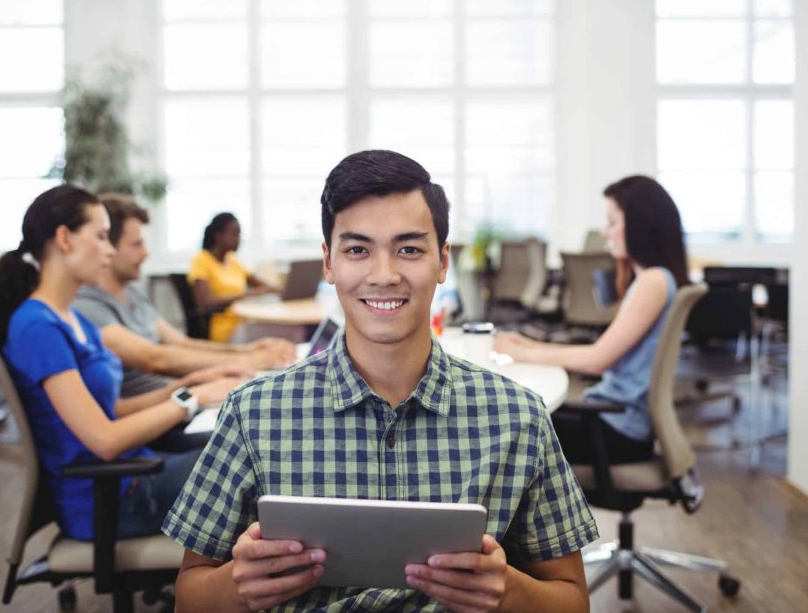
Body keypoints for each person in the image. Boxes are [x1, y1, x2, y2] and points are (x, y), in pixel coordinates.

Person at [163, 150, 599, 612]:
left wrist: (507, 591)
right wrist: (238, 584)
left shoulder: (518, 417)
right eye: (357, 250)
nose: (385, 275)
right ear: (328, 263)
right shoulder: (254, 412)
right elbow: (190, 597)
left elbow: (573, 600)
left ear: (443, 261)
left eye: (409, 249)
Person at [0, 185, 241, 541]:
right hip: (110, 498)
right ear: (64, 239)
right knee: (253, 465)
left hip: (130, 472)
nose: (110, 250)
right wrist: (189, 400)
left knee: (244, 443)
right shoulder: (37, 327)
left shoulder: (73, 319)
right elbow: (104, 439)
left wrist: (188, 386)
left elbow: (111, 409)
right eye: (101, 237)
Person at [494, 174, 689, 465]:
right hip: (610, 417)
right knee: (516, 418)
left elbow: (597, 359)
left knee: (505, 430)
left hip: (616, 430)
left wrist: (523, 351)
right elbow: (601, 352)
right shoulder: (652, 280)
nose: (605, 231)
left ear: (639, 224)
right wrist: (528, 344)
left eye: (612, 222)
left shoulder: (654, 282)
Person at [74, 194, 296, 399]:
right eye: (136, 244)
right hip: (164, 412)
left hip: (178, 400)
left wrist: (247, 350)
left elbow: (181, 343)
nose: (146, 253)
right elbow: (155, 359)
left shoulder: (131, 292)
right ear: (107, 247)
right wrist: (250, 361)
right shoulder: (88, 305)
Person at [188, 212, 278, 342]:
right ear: (218, 235)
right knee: (296, 333)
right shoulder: (201, 260)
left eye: (240, 234)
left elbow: (261, 284)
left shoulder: (232, 261)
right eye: (235, 234)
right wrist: (247, 294)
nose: (239, 239)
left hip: (245, 322)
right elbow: (206, 303)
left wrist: (282, 289)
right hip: (225, 330)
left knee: (294, 330)